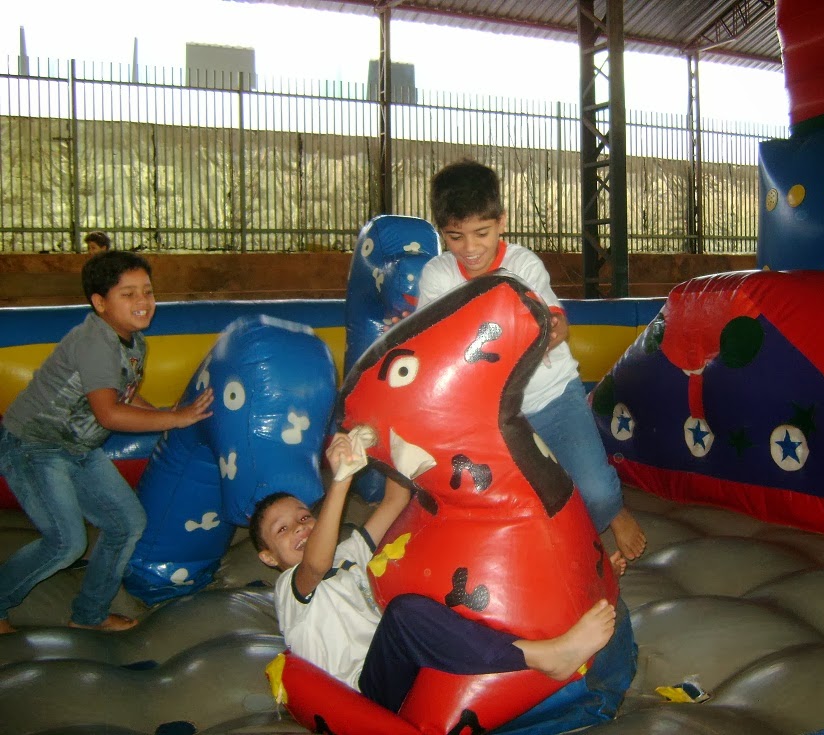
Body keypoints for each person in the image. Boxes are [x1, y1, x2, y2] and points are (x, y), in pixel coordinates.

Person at [251, 431, 621, 713]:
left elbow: (395, 500)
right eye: (283, 530)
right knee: (404, 614)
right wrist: (341, 479)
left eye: (304, 517)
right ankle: (544, 656)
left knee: (464, 580)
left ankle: (577, 585)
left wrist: (388, 440)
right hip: (367, 690)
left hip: (411, 660)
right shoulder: (289, 589)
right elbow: (314, 565)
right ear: (268, 557)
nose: (300, 528)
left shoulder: (348, 551)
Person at [415, 159, 647, 561]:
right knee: (490, 503)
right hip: (486, 415)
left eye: (481, 233)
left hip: (550, 397)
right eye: (455, 236)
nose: (470, 248)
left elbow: (554, 321)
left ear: (501, 222)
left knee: (595, 493)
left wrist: (553, 327)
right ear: (441, 233)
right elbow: (431, 345)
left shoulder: (522, 265)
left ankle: (613, 510)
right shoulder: (438, 276)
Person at [0, 251, 215, 635]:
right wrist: (175, 418)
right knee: (65, 542)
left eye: (147, 291)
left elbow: (125, 394)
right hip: (34, 444)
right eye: (128, 294)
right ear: (100, 303)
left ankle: (89, 613)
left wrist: (163, 415)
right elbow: (110, 415)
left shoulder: (133, 342)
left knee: (126, 523)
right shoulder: (94, 342)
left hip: (78, 447)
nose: (143, 301)